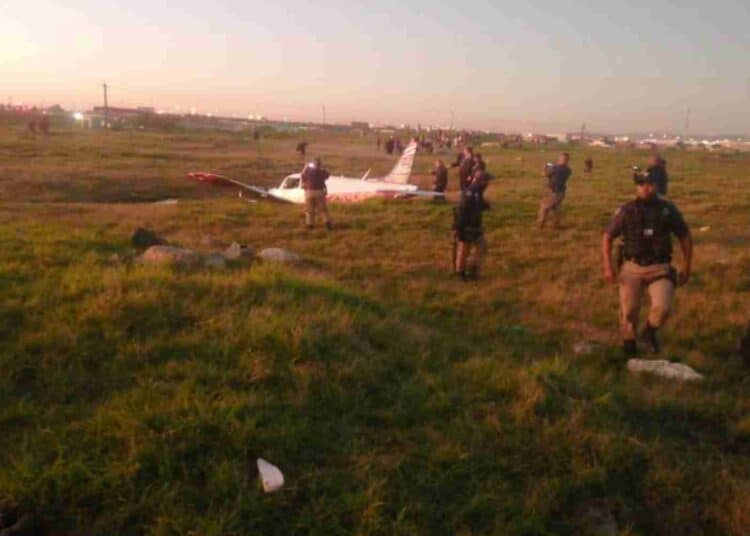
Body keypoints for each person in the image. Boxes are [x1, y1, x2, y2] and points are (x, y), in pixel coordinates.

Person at [601, 171, 693, 356]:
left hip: (660, 268)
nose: (645, 188)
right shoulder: (626, 210)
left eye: (650, 184)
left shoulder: (668, 210)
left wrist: (687, 265)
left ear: (658, 186)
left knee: (663, 308)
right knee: (629, 312)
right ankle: (629, 344)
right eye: (641, 184)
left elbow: (684, 236)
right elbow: (607, 237)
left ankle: (649, 333)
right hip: (632, 268)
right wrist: (608, 267)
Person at [453, 169, 489, 281]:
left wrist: (485, 205)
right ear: (481, 181)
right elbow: (462, 211)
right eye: (486, 181)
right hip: (466, 227)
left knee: (481, 247)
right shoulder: (470, 192)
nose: (487, 184)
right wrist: (459, 228)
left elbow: (478, 204)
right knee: (464, 249)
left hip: (476, 226)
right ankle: (461, 273)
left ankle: (473, 269)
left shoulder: (477, 192)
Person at [537, 152, 572, 228]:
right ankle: (556, 224)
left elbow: (544, 174)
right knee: (555, 208)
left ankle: (540, 224)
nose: (560, 160)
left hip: (555, 192)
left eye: (561, 158)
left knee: (544, 207)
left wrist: (544, 167)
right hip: (561, 192)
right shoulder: (568, 170)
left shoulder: (555, 168)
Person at [300, 157, 332, 230]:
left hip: (309, 192)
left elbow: (302, 176)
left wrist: (306, 167)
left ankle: (310, 225)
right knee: (323, 209)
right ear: (320, 164)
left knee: (309, 210)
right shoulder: (322, 172)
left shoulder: (308, 171)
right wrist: (322, 168)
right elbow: (328, 174)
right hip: (320, 192)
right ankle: (327, 223)